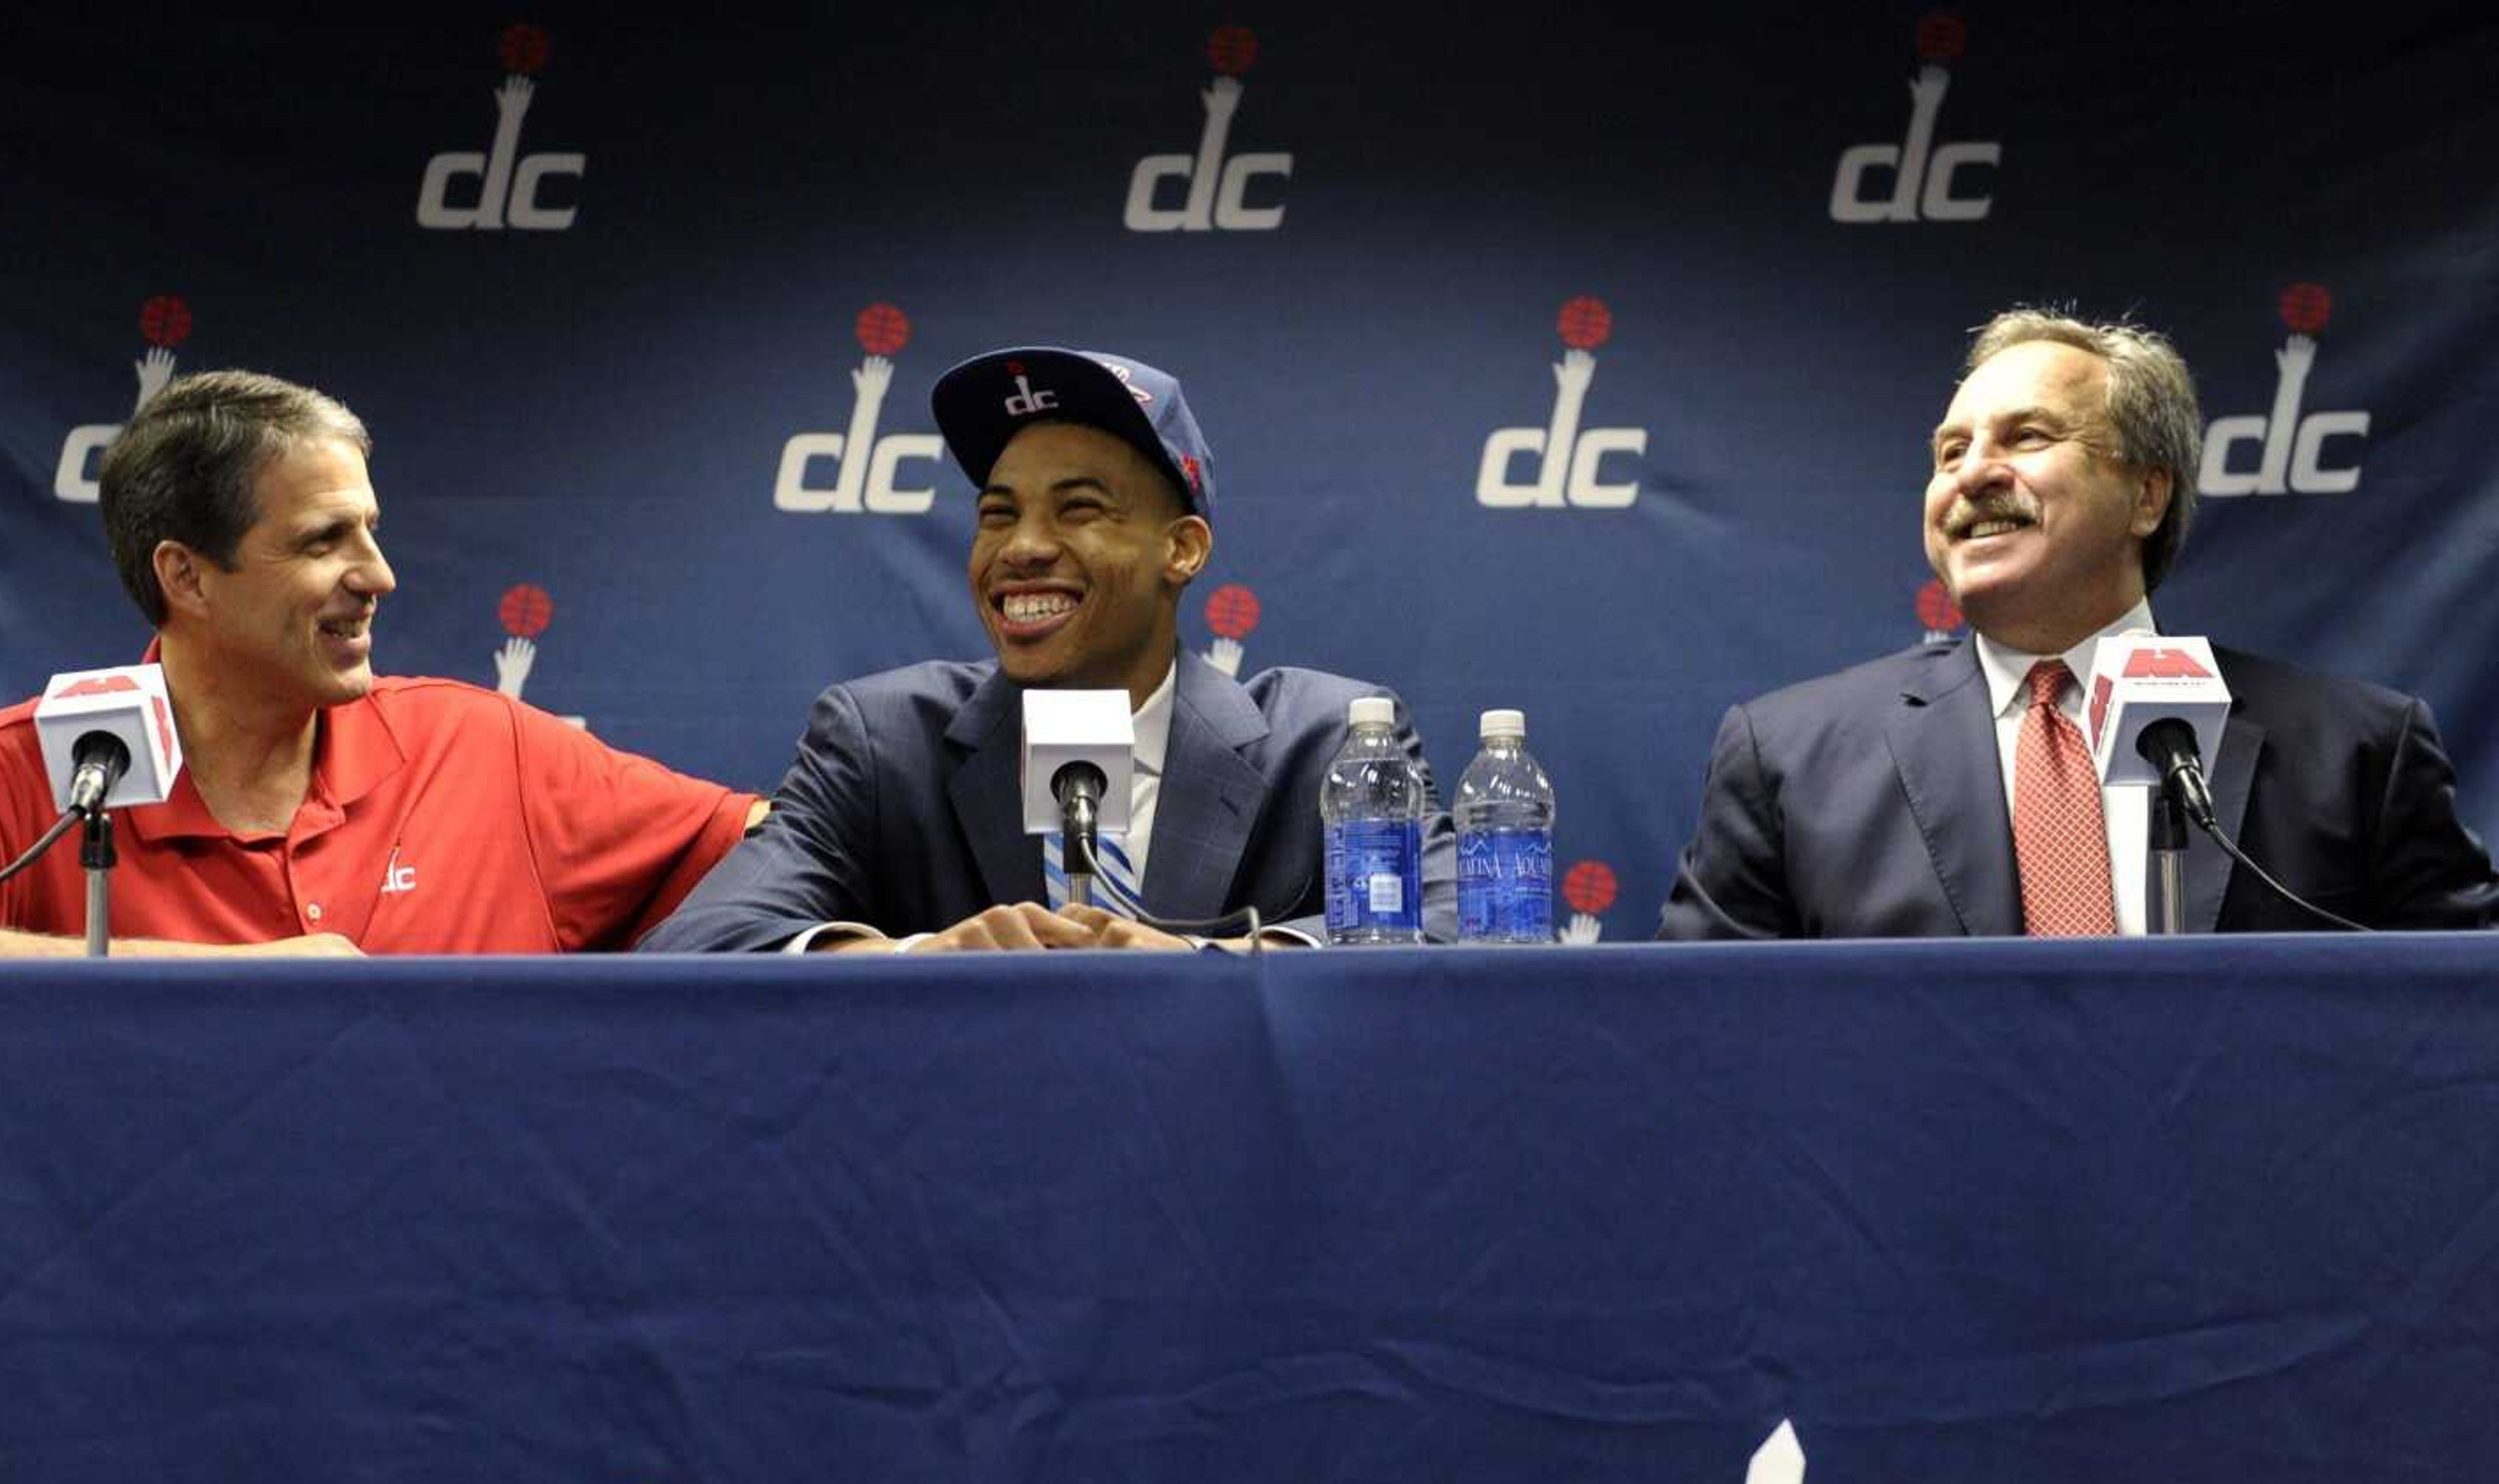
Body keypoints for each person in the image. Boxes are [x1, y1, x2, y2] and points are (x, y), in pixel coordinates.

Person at [0, 371, 753, 957]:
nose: (381, 576)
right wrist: (229, 983)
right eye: (325, 542)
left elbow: (770, 846)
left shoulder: (481, 745)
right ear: (188, 577)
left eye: (373, 531)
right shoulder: (29, 770)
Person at [1657, 308, 2499, 939]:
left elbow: (2462, 1024)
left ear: (2145, 495)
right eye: (1950, 453)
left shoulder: (2355, 750)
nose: (1975, 473)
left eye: (2027, 437)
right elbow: (1698, 1037)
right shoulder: (1789, 760)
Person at [637, 347, 1449, 953]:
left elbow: (1460, 932)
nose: (1022, 547)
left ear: (1183, 550)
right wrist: (919, 956)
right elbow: (694, 943)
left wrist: (1217, 961)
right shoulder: (881, 741)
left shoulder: (1328, 740)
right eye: (997, 514)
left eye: (1079, 509)